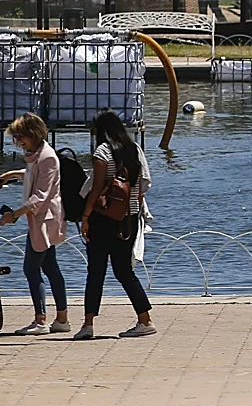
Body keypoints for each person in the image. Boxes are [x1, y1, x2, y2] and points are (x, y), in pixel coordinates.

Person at [75, 110, 155, 340]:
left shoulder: (102, 152)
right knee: (124, 271)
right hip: (128, 219)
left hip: (103, 219)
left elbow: (97, 187)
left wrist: (86, 216)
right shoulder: (135, 150)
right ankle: (145, 319)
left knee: (96, 271)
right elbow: (141, 188)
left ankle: (88, 324)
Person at [0, 113, 70, 335]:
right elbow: (33, 175)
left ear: (33, 134)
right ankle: (62, 320)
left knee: (31, 268)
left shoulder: (47, 157)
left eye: (21, 137)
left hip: (45, 219)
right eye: (15, 138)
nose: (18, 142)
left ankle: (41, 321)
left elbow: (40, 195)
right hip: (41, 219)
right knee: (50, 268)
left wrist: (14, 215)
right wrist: (14, 174)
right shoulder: (36, 155)